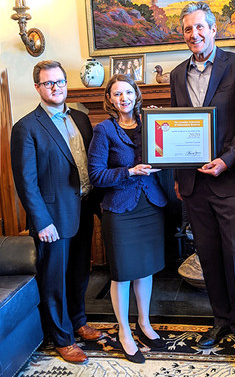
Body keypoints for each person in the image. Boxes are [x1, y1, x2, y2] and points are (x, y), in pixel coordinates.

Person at [170, 1, 235, 367]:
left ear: (213, 29)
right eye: (188, 29)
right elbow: (177, 128)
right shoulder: (177, 74)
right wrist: (179, 177)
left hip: (230, 180)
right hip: (193, 185)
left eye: (200, 28)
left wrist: (226, 160)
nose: (194, 34)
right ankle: (221, 320)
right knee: (207, 256)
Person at [10, 60, 103, 365]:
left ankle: (78, 321)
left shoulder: (81, 118)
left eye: (60, 82)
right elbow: (26, 181)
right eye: (49, 83)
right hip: (52, 216)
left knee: (80, 271)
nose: (56, 88)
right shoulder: (26, 127)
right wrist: (41, 221)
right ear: (38, 87)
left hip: (83, 207)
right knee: (54, 278)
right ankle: (62, 338)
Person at [87, 74, 167, 364]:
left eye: (128, 92)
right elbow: (96, 175)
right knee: (122, 273)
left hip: (150, 204)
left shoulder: (150, 123)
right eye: (117, 94)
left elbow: (167, 153)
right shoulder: (104, 130)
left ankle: (144, 324)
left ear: (137, 94)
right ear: (109, 99)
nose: (124, 98)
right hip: (120, 209)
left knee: (145, 270)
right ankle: (124, 332)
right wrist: (130, 171)